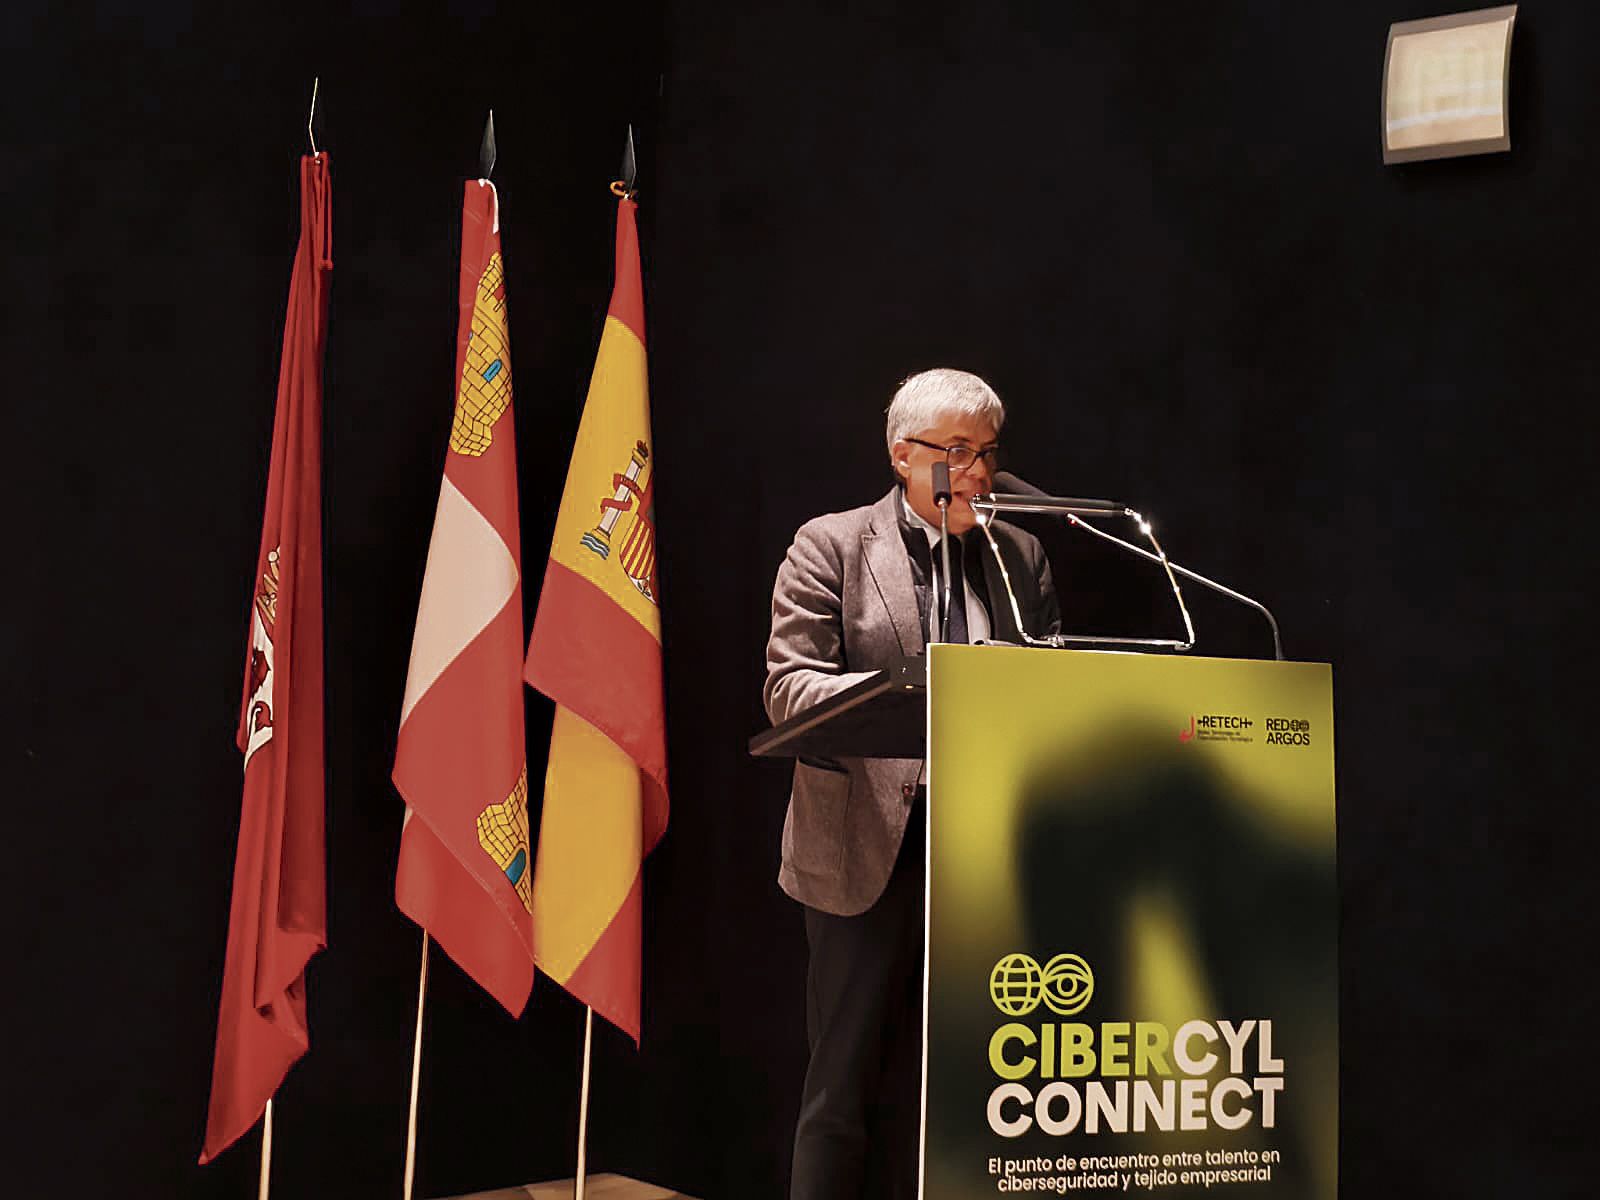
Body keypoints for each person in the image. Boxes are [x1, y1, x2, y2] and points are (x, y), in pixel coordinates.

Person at [763, 367, 1061, 1199]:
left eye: (988, 452)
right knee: (843, 1087)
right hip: (865, 844)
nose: (979, 472)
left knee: (979, 1081)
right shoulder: (831, 544)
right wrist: (913, 690)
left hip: (984, 847)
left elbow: (1051, 684)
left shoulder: (1020, 553)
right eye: (957, 451)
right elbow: (789, 688)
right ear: (903, 454)